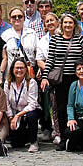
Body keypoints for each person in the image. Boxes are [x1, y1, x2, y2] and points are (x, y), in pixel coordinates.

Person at [41, 13, 83, 149]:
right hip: (60, 80)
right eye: (65, 23)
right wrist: (45, 77)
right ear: (61, 25)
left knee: (77, 107)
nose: (68, 25)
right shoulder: (55, 39)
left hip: (76, 79)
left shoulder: (80, 39)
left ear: (75, 25)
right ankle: (63, 137)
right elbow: (50, 60)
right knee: (61, 109)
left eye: (70, 23)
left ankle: (77, 136)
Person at [5, 56, 39, 151]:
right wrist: (11, 117)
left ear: (25, 69)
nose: (19, 70)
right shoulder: (7, 83)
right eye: (17, 68)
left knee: (31, 115)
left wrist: (18, 116)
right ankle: (25, 136)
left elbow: (32, 104)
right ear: (12, 69)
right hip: (14, 113)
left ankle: (34, 141)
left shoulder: (31, 82)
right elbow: (6, 102)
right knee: (16, 144)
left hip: (27, 112)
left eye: (21, 68)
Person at [35, 11, 60, 141]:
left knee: (60, 104)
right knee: (46, 103)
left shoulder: (63, 36)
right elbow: (39, 59)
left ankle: (60, 131)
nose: (50, 23)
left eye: (52, 20)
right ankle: (47, 129)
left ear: (57, 22)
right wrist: (50, 71)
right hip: (48, 76)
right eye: (47, 21)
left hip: (63, 74)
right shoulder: (42, 40)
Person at [2, 7, 38, 85]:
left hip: (28, 73)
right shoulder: (5, 35)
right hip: (11, 74)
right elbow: (4, 56)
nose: (17, 18)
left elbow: (37, 53)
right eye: (14, 17)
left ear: (24, 18)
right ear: (10, 19)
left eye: (20, 16)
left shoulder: (32, 33)